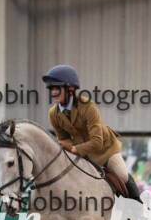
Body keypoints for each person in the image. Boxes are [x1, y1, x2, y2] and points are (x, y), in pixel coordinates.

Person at [42, 64, 138, 199]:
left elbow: (97, 142)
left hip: (105, 150)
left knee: (122, 175)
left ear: (70, 89)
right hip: (83, 155)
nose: (53, 93)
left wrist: (74, 149)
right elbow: (63, 139)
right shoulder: (53, 113)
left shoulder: (88, 106)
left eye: (57, 88)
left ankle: (139, 205)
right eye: (51, 89)